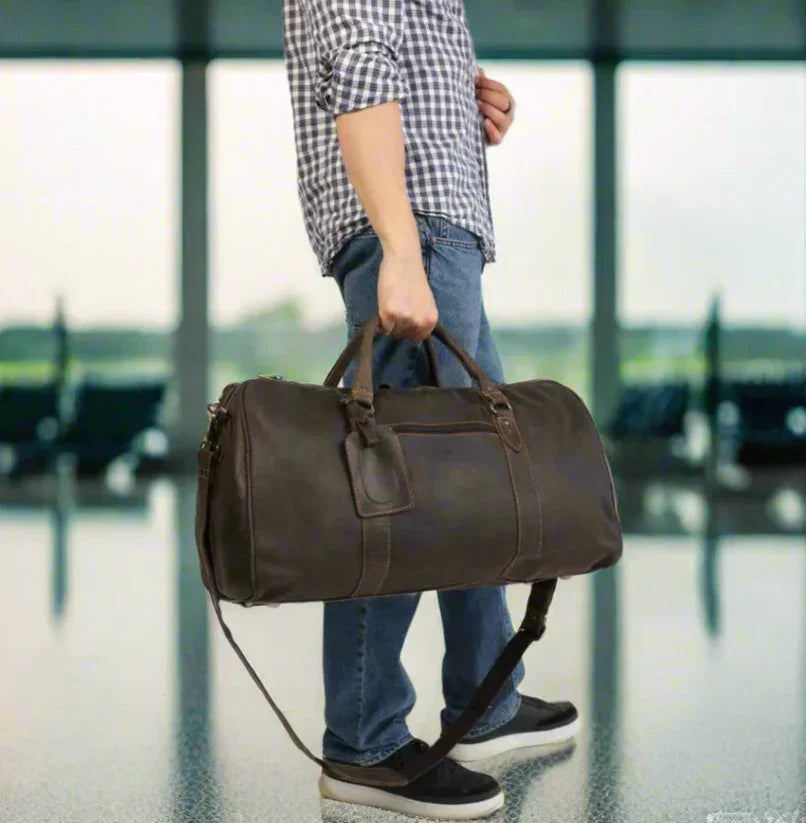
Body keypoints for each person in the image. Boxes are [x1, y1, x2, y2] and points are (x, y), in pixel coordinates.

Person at [282, 1, 579, 818]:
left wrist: (461, 96)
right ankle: (364, 744)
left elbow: (387, 60)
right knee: (399, 497)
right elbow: (362, 64)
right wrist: (403, 249)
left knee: (471, 483)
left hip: (434, 234)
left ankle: (485, 699)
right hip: (415, 237)